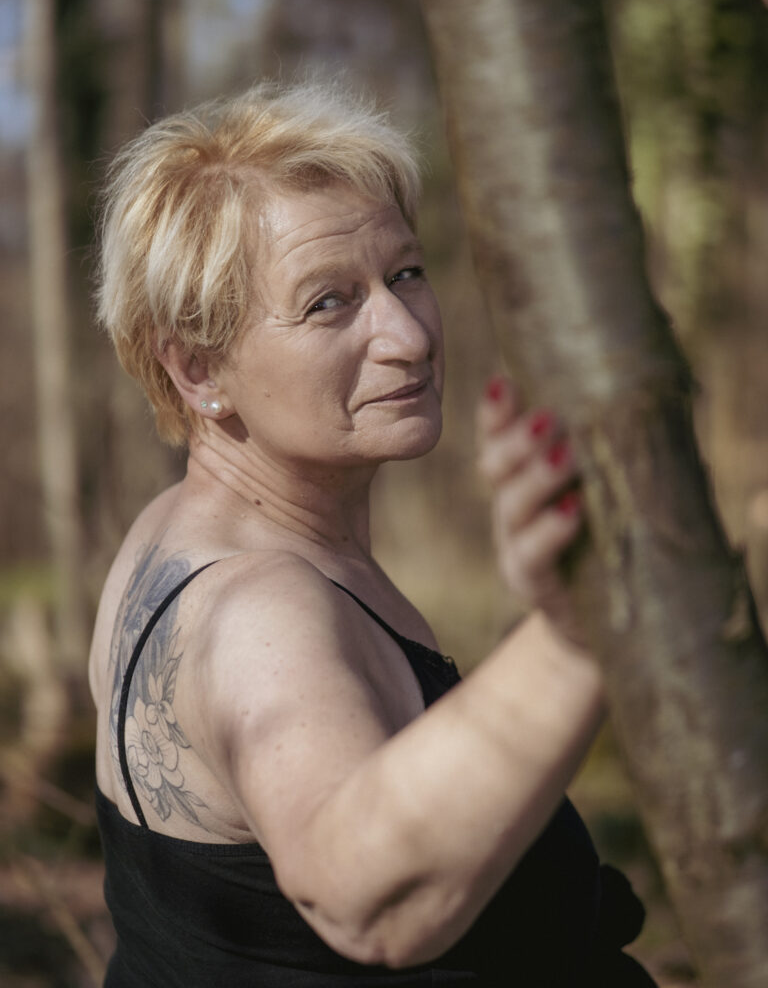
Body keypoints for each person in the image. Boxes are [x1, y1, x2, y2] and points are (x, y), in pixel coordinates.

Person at [89, 80, 658, 987]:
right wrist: (574, 637)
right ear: (198, 369)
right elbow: (369, 900)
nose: (408, 335)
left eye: (405, 274)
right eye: (328, 302)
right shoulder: (261, 612)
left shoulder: (178, 535)